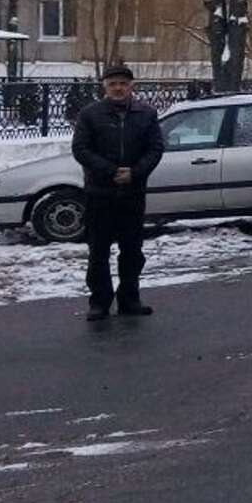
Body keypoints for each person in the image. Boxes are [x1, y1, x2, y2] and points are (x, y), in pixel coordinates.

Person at [71, 64, 164, 321]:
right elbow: (81, 149)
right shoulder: (90, 114)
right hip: (99, 192)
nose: (118, 88)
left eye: (123, 83)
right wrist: (111, 171)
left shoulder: (146, 114)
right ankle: (100, 302)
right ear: (105, 87)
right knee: (98, 250)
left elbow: (155, 148)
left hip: (133, 193)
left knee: (132, 250)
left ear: (131, 86)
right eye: (113, 84)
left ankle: (129, 299)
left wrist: (135, 173)